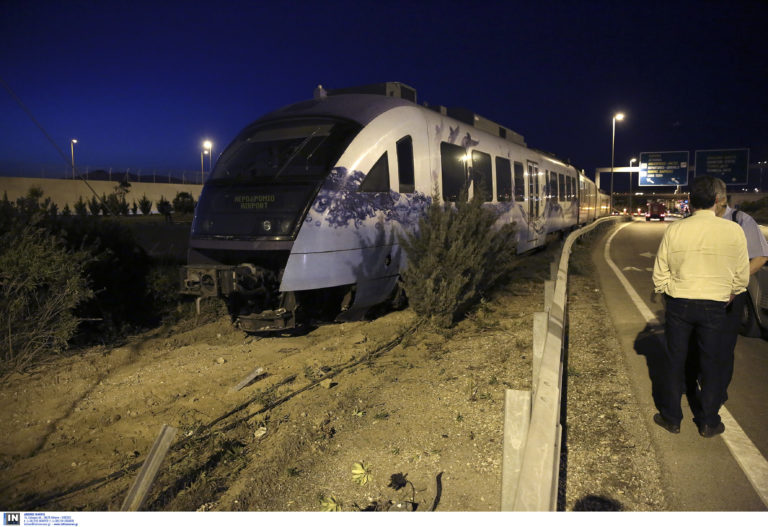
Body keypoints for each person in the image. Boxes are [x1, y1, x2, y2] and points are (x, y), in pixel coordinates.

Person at [651, 176, 750, 438]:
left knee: (675, 361)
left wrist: (668, 293)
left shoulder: (675, 230)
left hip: (679, 303)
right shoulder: (733, 231)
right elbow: (741, 278)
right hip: (716, 305)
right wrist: (726, 296)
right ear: (718, 201)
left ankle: (671, 418)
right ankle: (708, 421)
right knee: (713, 363)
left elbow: (659, 273)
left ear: (691, 200)